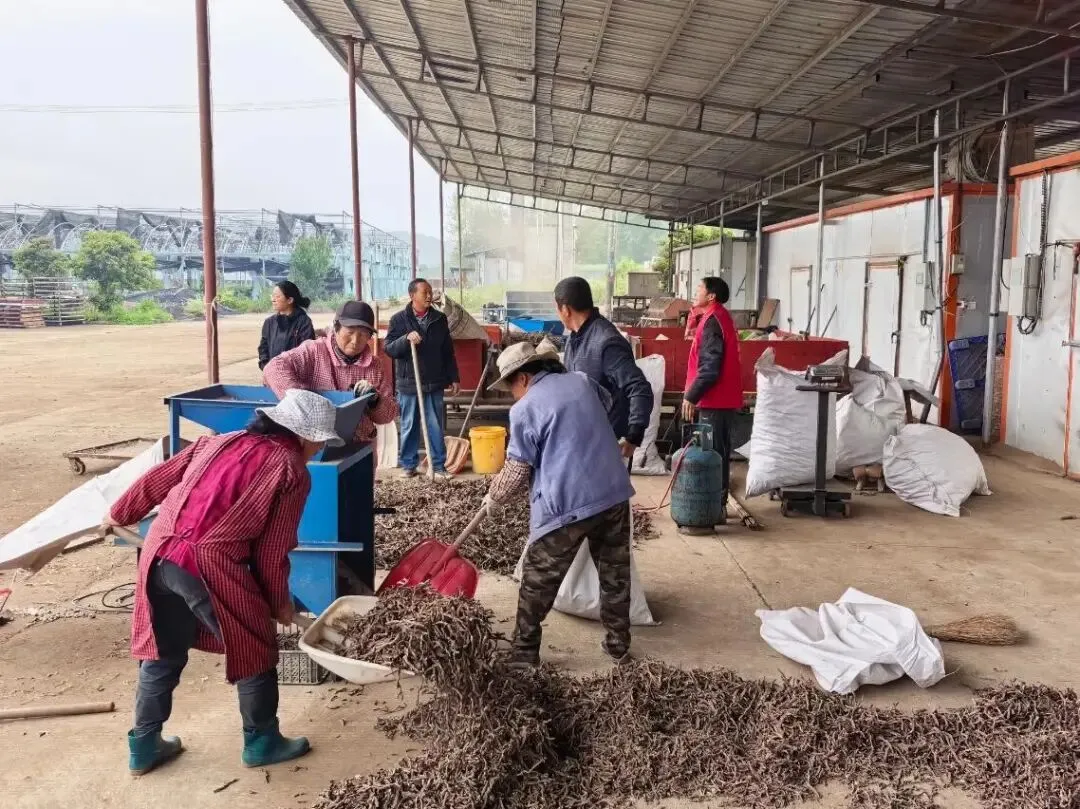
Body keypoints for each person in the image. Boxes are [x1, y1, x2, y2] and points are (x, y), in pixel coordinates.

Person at [104, 389, 344, 775]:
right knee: (254, 646)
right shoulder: (290, 470)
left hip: (158, 552)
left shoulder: (217, 442)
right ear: (302, 435)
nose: (318, 449)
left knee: (162, 652)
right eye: (318, 441)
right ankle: (262, 741)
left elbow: (156, 479)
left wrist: (118, 511)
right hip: (207, 564)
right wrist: (278, 602)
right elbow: (272, 550)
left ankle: (144, 746)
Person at [482, 342, 634, 669]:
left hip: (570, 502)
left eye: (510, 386)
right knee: (615, 574)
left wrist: (494, 496)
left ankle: (523, 653)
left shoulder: (525, 408)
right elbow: (603, 407)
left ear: (522, 378)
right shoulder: (580, 380)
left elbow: (518, 468)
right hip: (613, 491)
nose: (512, 394)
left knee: (538, 578)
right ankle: (618, 645)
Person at [263, 300, 397, 443]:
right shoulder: (313, 351)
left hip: (359, 442)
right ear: (336, 328)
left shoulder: (375, 365)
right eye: (350, 332)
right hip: (315, 442)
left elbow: (387, 415)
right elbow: (273, 367)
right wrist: (299, 400)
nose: (355, 340)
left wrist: (375, 400)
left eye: (363, 334)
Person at [555, 276, 653, 460]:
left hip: (606, 444)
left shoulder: (606, 341)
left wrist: (633, 435)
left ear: (565, 309)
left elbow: (639, 387)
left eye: (557, 309)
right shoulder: (574, 338)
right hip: (583, 441)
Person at [383, 278, 460, 479]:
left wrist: (454, 377)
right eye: (424, 292)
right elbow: (389, 348)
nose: (429, 295)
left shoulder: (439, 319)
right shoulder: (399, 320)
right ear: (412, 295)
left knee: (435, 424)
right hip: (409, 382)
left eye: (430, 292)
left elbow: (447, 351)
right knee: (409, 423)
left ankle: (438, 466)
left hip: (434, 381)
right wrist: (404, 339)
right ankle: (409, 465)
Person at [681, 277, 744, 521]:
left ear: (711, 296)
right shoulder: (715, 317)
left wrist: (691, 395)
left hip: (715, 400)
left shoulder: (713, 321)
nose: (696, 291)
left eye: (700, 288)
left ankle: (714, 509)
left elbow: (710, 367)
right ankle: (716, 506)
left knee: (713, 456)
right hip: (719, 400)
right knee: (717, 453)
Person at [257, 281, 315, 370]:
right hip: (272, 375)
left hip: (295, 376)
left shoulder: (304, 322)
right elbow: (263, 349)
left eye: (277, 296)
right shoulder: (269, 322)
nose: (273, 299)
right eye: (272, 296)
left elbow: (307, 352)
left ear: (290, 300)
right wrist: (267, 368)